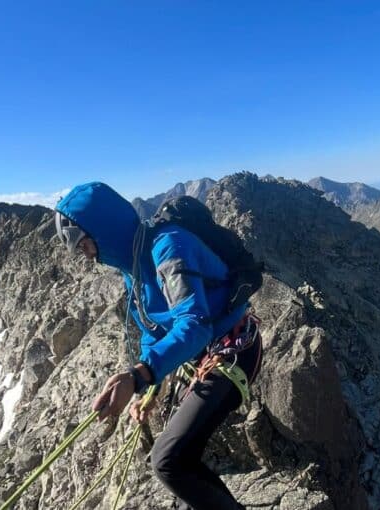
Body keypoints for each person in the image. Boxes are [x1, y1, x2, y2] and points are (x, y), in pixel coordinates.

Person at [54, 182, 262, 510]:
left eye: (85, 246)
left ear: (102, 230)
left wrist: (139, 376)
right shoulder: (133, 267)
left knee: (168, 459)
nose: (88, 257)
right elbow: (154, 331)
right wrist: (150, 390)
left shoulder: (167, 248)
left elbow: (194, 325)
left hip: (235, 349)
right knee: (177, 455)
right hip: (208, 355)